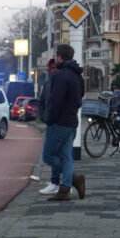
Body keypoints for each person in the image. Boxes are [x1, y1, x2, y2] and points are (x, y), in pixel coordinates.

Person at [43, 44, 86, 201]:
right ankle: (65, 189)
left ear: (59, 56)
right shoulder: (78, 76)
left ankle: (73, 178)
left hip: (58, 123)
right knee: (66, 156)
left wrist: (49, 119)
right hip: (72, 122)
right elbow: (81, 96)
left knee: (48, 156)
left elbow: (56, 101)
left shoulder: (61, 76)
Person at [38, 58, 60, 195]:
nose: (54, 70)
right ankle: (56, 180)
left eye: (56, 68)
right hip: (50, 123)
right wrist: (43, 116)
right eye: (52, 68)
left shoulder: (61, 84)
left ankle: (64, 179)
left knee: (49, 155)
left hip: (60, 124)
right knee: (50, 155)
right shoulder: (47, 84)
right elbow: (42, 102)